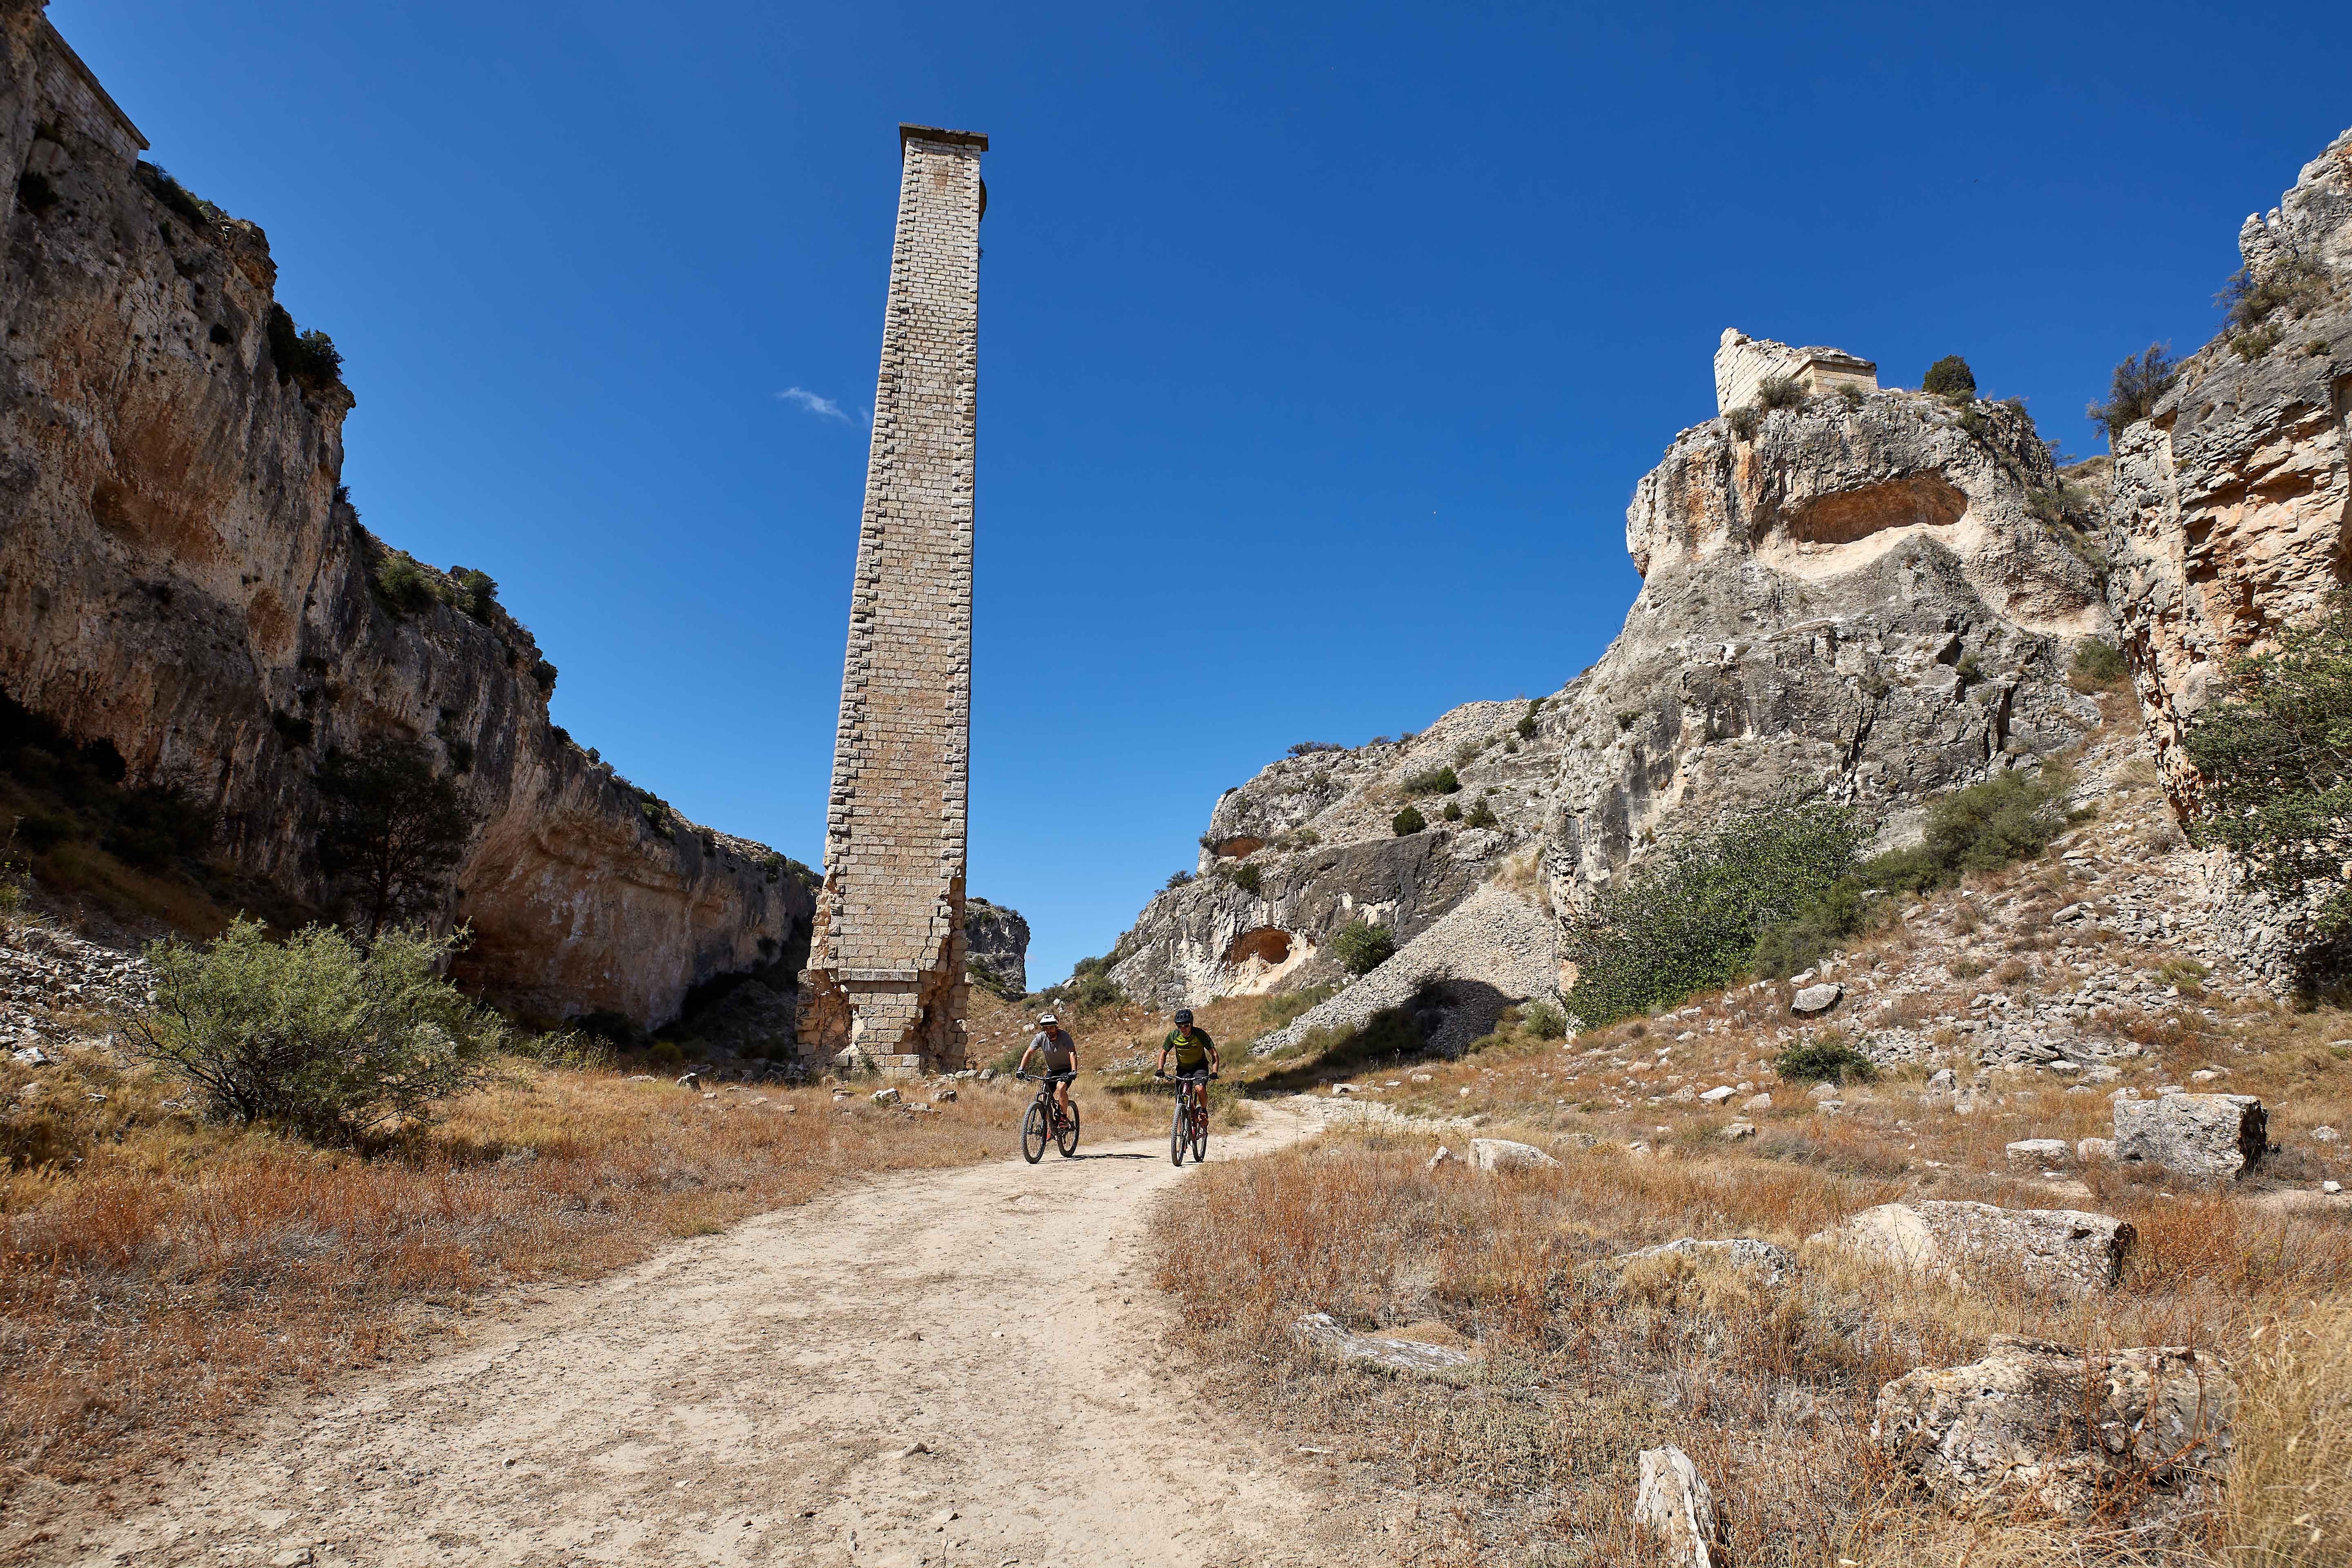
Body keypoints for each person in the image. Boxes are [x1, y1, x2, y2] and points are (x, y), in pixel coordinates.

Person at [1156, 1008, 1221, 1119]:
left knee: (1199, 1089)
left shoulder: (1200, 1035)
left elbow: (1214, 1054)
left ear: (1192, 1024)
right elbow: (1163, 1053)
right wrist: (1160, 1069)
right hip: (1183, 1069)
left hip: (1200, 1067)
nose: (1183, 1029)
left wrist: (1215, 1072)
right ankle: (1181, 1133)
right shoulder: (1174, 1036)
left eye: (1186, 1025)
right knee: (1180, 1103)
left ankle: (1204, 1111)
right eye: (1180, 1026)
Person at [1016, 1012, 1079, 1121]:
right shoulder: (1041, 1037)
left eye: (1051, 1028)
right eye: (1046, 1028)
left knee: (1061, 1088)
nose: (1049, 1031)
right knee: (1044, 1096)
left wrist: (1073, 1071)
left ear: (1057, 1027)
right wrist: (1021, 1069)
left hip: (1066, 1070)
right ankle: (1050, 1126)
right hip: (1052, 1071)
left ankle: (1064, 1118)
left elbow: (1072, 1053)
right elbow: (1029, 1052)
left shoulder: (1064, 1036)